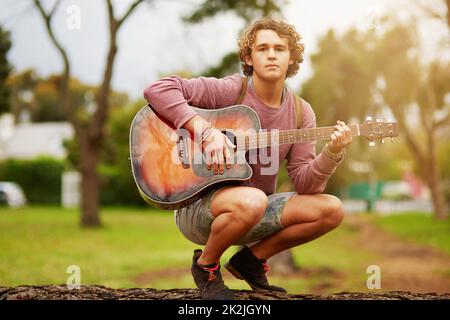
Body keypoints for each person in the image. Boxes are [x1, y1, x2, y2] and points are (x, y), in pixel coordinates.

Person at [143, 17, 352, 300]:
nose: (271, 54)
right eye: (262, 48)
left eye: (279, 48)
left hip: (256, 211)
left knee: (331, 209)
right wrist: (204, 133)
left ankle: (250, 261)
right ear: (248, 57)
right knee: (253, 199)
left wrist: (332, 153)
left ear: (292, 58)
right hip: (200, 208)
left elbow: (307, 186)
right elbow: (158, 90)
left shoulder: (302, 113)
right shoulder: (232, 91)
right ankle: (206, 266)